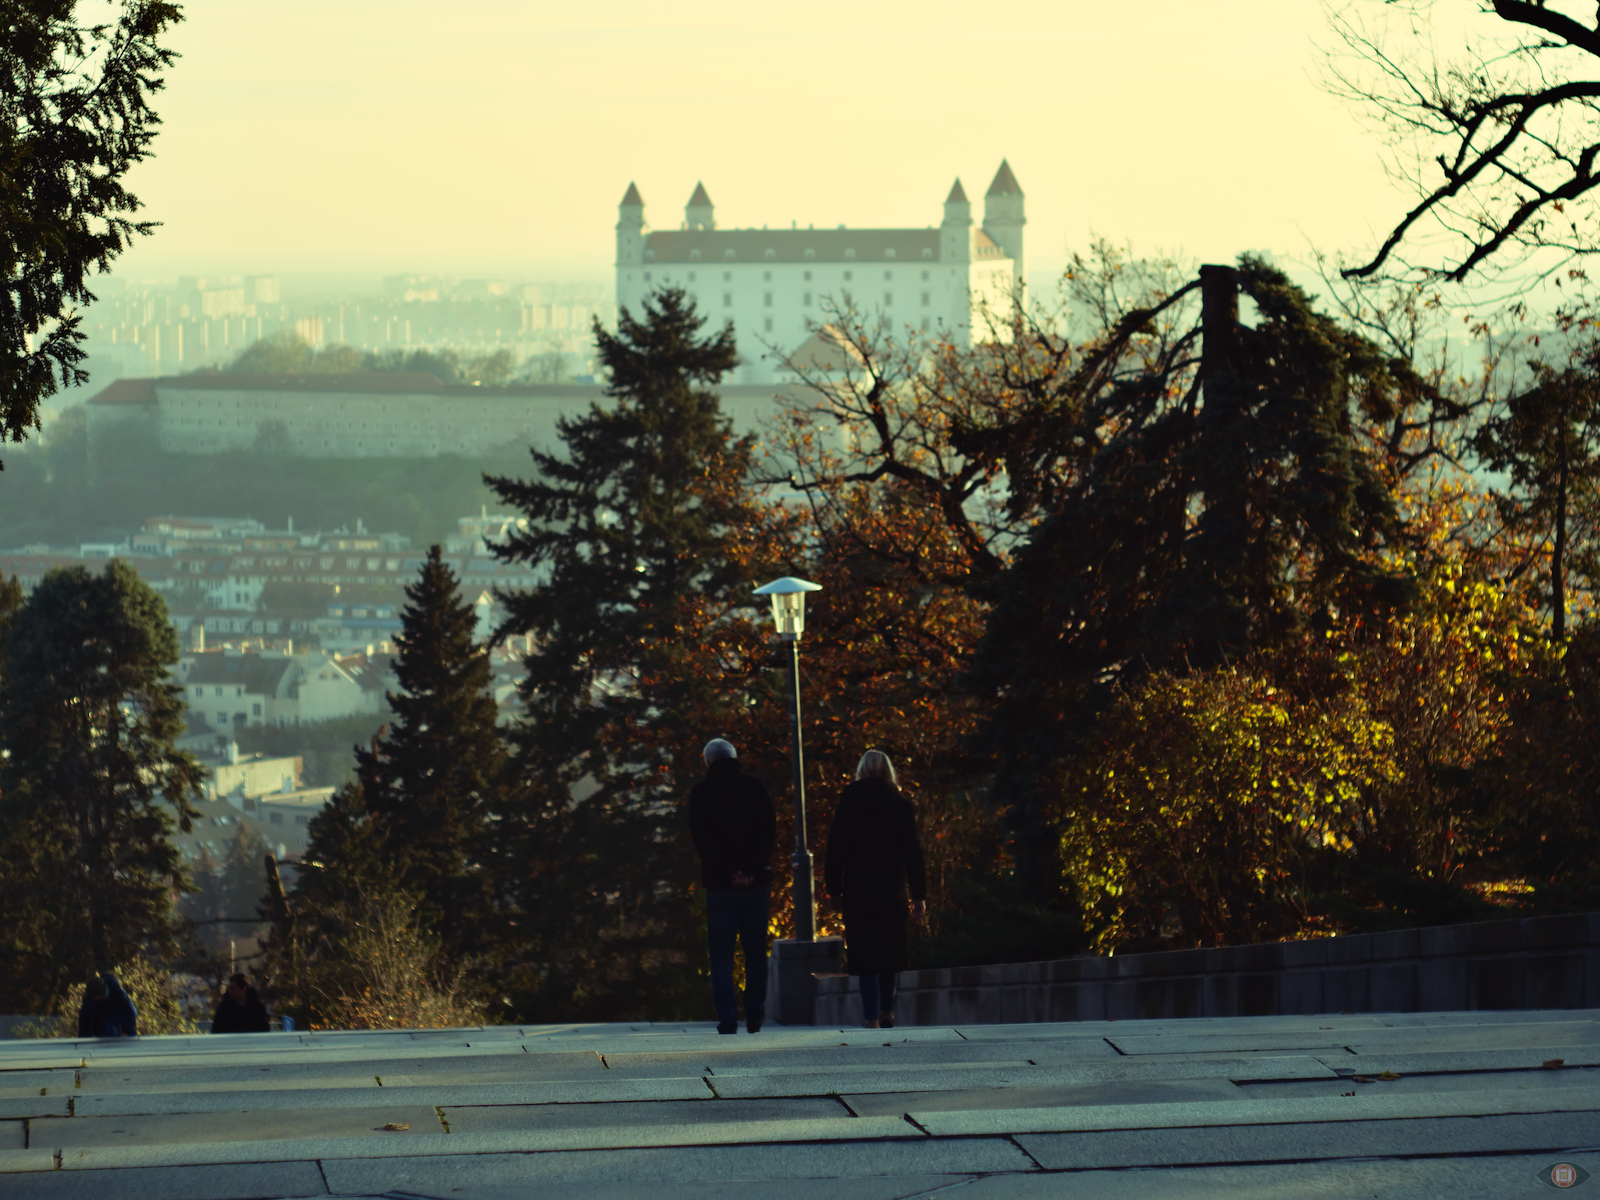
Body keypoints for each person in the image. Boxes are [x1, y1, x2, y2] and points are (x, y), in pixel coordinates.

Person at [824, 749, 927, 1029]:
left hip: (858, 890)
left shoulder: (847, 804)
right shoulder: (901, 806)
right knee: (890, 954)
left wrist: (833, 890)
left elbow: (836, 851)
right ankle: (887, 1011)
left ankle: (870, 1016)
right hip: (892, 889)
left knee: (864, 955)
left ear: (861, 771)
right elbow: (912, 853)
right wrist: (919, 895)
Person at [688, 738, 777, 1035]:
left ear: (708, 762)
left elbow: (703, 841)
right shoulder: (755, 786)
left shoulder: (701, 793)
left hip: (720, 886)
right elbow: (767, 831)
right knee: (755, 952)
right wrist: (750, 871)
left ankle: (728, 1019)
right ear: (735, 758)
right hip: (756, 884)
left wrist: (728, 874)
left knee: (722, 956)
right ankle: (755, 1013)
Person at [77, 971, 138, 1038]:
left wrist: (126, 1031)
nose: (92, 999)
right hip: (109, 1015)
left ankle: (130, 1040)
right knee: (109, 1030)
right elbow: (85, 1019)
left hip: (124, 1012)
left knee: (128, 1030)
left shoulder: (119, 994)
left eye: (94, 998)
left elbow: (129, 1013)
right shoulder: (90, 999)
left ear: (101, 995)